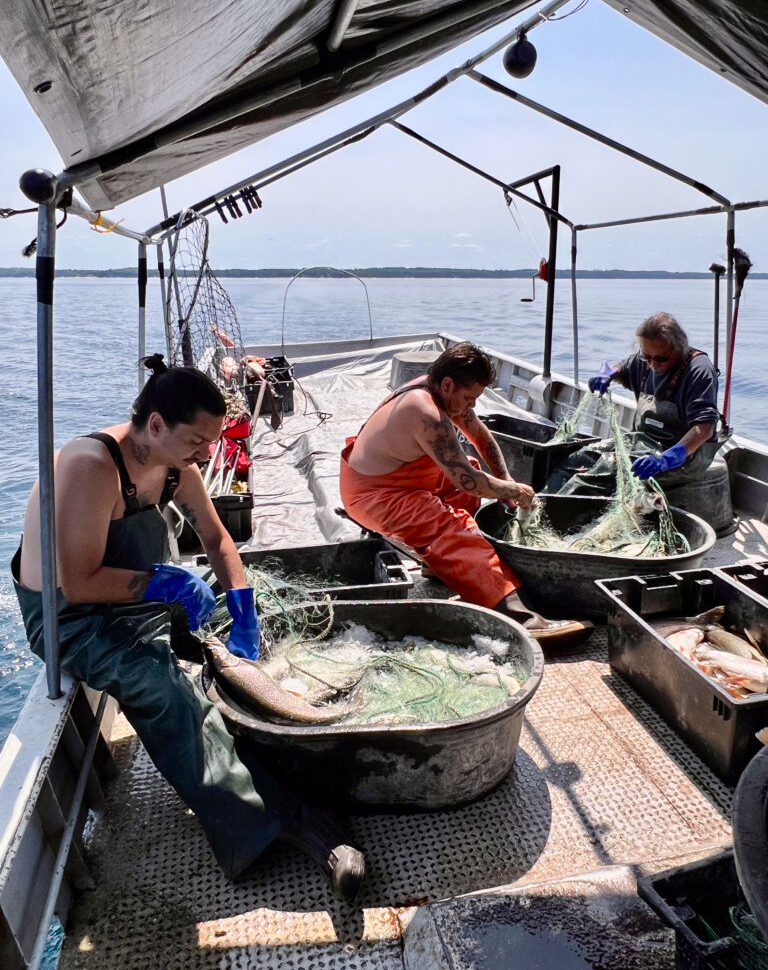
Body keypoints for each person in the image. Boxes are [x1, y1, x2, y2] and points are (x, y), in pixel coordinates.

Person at [12, 353, 364, 901]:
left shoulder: (175, 462)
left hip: (137, 592)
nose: (210, 452)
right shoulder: (89, 465)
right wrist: (172, 585)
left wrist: (243, 609)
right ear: (155, 424)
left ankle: (273, 740)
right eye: (199, 440)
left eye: (211, 441)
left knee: (255, 618)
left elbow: (220, 540)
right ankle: (272, 820)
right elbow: (78, 583)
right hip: (73, 619)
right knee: (160, 686)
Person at [339, 342, 592, 645]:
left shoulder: (439, 390)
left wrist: (505, 480)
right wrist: (515, 491)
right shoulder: (424, 411)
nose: (471, 406)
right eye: (469, 398)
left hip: (400, 477)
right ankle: (520, 617)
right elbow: (469, 482)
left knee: (470, 465)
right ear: (447, 384)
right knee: (453, 528)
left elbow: (480, 437)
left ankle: (435, 565)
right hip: (374, 494)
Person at [580, 312, 725, 491]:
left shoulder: (699, 370)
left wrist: (666, 459)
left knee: (610, 476)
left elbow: (704, 429)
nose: (653, 365)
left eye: (661, 359)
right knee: (584, 457)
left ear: (679, 348)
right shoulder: (646, 360)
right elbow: (623, 367)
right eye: (647, 358)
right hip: (643, 443)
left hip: (685, 454)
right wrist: (608, 375)